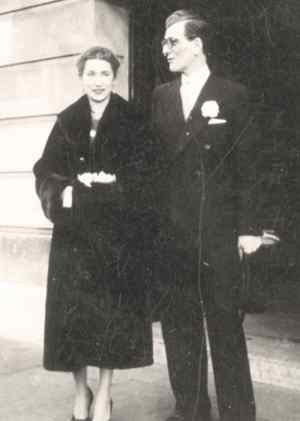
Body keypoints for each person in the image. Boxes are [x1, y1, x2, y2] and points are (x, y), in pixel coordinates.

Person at [151, 9, 278, 421]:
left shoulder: (232, 94)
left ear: (197, 45)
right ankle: (189, 409)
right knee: (179, 324)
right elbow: (154, 167)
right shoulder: (161, 96)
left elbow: (250, 168)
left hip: (220, 231)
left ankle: (237, 412)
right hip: (174, 231)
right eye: (164, 42)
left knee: (224, 324)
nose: (165, 49)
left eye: (173, 42)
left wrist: (250, 229)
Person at [33, 46, 154, 421]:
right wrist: (69, 186)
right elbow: (44, 171)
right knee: (72, 321)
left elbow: (148, 173)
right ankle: (80, 392)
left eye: (104, 74)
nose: (97, 81)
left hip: (117, 238)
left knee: (110, 320)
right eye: (91, 74)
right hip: (74, 239)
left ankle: (103, 394)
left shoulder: (133, 118)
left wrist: (114, 184)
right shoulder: (67, 120)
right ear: (81, 77)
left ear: (114, 77)